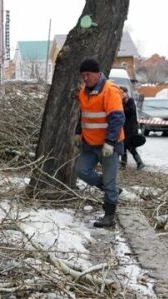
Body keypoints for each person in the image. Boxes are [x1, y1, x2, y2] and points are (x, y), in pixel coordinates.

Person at [75, 58, 125, 228]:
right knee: (81, 170)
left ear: (97, 73)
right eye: (83, 75)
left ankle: (109, 216)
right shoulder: (83, 92)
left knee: (110, 180)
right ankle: (109, 188)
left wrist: (110, 142)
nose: (85, 78)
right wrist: (78, 132)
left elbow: (117, 118)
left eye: (88, 74)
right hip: (90, 143)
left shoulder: (110, 90)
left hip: (108, 145)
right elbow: (83, 114)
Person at [119, 86, 145, 170]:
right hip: (124, 128)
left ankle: (135, 163)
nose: (121, 94)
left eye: (122, 92)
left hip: (131, 128)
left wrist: (121, 107)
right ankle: (135, 163)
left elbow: (130, 111)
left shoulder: (130, 101)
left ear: (126, 93)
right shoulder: (122, 102)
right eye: (120, 93)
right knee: (125, 145)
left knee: (127, 145)